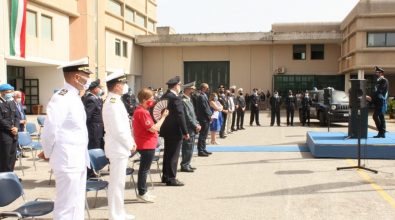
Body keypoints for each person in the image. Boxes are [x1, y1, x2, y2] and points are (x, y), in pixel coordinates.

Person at [41, 58, 92, 219]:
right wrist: (48, 152)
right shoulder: (61, 97)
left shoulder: (74, 96)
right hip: (67, 160)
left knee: (76, 205)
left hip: (78, 160)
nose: (88, 79)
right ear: (77, 77)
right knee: (65, 207)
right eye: (86, 75)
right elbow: (50, 130)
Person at [102, 70, 136, 219]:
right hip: (117, 147)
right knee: (116, 183)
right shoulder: (113, 102)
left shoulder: (115, 100)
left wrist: (130, 141)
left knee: (119, 183)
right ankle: (115, 214)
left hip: (119, 146)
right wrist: (130, 143)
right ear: (116, 86)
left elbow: (124, 126)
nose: (124, 86)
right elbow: (117, 129)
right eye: (122, 83)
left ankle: (119, 212)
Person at [132, 88, 168, 202]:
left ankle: (144, 191)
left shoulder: (143, 111)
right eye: (151, 99)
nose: (153, 101)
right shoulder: (141, 112)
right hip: (146, 144)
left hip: (147, 143)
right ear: (144, 100)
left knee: (145, 169)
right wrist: (163, 117)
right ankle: (142, 192)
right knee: (144, 170)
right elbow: (154, 128)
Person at [159, 76, 189, 186]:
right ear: (176, 86)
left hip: (166, 129)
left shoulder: (165, 95)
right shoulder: (175, 98)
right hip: (175, 130)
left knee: (168, 153)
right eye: (180, 85)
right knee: (174, 155)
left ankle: (166, 176)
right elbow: (180, 115)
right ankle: (171, 178)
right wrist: (185, 131)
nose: (180, 87)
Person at [180, 82, 201, 172]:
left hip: (192, 126)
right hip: (188, 127)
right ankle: (184, 165)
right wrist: (195, 125)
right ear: (187, 89)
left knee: (191, 147)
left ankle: (187, 163)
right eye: (192, 89)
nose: (193, 90)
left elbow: (193, 114)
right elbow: (187, 116)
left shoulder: (189, 99)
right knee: (187, 147)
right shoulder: (183, 100)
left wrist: (197, 123)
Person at [0, 84, 19, 173]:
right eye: (8, 92)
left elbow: (16, 116)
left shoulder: (11, 102)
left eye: (11, 92)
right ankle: (4, 177)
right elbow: (1, 120)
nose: (10, 94)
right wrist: (11, 128)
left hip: (14, 134)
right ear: (2, 93)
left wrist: (16, 127)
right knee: (5, 157)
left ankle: (11, 175)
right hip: (4, 135)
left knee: (12, 156)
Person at [367, 66, 389, 138]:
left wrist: (371, 97)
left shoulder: (384, 80)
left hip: (381, 101)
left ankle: (381, 131)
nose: (376, 73)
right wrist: (371, 98)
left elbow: (380, 91)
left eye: (378, 72)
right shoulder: (378, 81)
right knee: (381, 117)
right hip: (377, 101)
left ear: (381, 73)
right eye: (376, 72)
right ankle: (382, 133)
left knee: (375, 116)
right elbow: (376, 91)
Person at [83, 79, 105, 150]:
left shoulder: (97, 98)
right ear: (94, 89)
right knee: (95, 150)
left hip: (98, 130)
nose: (100, 89)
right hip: (94, 131)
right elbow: (87, 116)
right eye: (99, 88)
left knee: (99, 148)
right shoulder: (91, 99)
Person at [195, 83, 213, 157]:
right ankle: (201, 151)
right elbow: (205, 108)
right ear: (203, 88)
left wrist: (210, 114)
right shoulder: (201, 96)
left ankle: (203, 149)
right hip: (203, 118)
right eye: (207, 88)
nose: (208, 89)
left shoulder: (204, 95)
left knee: (205, 135)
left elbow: (207, 107)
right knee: (202, 135)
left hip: (205, 117)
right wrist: (209, 116)